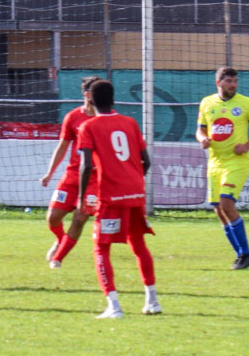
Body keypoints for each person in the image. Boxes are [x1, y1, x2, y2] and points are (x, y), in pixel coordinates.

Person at [75, 79, 159, 319]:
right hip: (136, 193)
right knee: (139, 244)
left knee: (101, 248)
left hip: (110, 196)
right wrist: (133, 181)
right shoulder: (130, 122)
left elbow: (86, 165)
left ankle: (114, 306)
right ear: (113, 99)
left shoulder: (88, 127)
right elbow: (146, 161)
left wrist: (81, 199)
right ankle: (152, 301)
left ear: (90, 100)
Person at [197, 66, 249, 269]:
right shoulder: (207, 103)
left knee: (226, 204)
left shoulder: (245, 103)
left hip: (236, 162)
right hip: (215, 163)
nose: (233, 85)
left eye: (235, 81)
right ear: (218, 83)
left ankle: (246, 254)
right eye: (229, 81)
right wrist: (202, 139)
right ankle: (240, 254)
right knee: (219, 210)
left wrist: (246, 146)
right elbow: (200, 130)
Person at [39, 75, 101, 269]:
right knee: (53, 217)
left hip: (95, 179)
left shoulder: (107, 117)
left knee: (80, 217)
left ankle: (57, 259)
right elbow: (62, 146)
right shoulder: (73, 117)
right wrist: (49, 173)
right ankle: (61, 240)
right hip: (73, 175)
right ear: (87, 94)